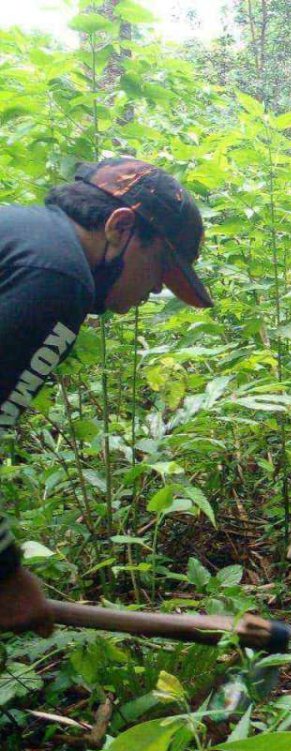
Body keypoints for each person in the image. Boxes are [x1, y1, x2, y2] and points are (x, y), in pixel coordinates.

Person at [0, 158, 213, 636]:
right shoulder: (57, 276)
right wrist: (7, 577)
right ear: (120, 227)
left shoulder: (23, 235)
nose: (158, 286)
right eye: (159, 266)